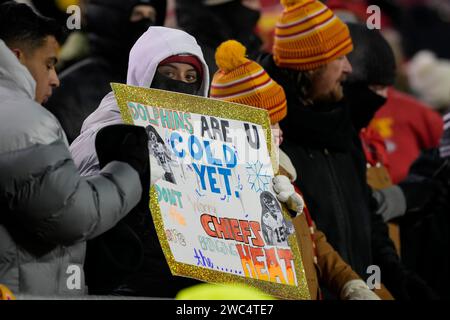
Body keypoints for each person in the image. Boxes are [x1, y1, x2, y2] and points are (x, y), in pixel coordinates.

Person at [258, 0, 437, 300]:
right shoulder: (270, 136)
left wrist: (399, 281)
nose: (348, 68)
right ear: (311, 64)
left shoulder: (341, 124)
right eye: (339, 57)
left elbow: (369, 221)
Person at [210, 39, 382, 300]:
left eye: (279, 122)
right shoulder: (222, 190)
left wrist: (349, 283)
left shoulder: (282, 175)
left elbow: (310, 237)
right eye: (269, 125)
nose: (279, 133)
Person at [0, 2, 149, 296]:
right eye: (48, 64)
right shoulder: (22, 118)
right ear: (17, 58)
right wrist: (129, 167)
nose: (55, 79)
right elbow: (72, 214)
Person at [70, 26, 210, 297]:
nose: (180, 85)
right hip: (128, 286)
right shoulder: (108, 130)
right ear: (143, 75)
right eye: (168, 74)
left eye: (190, 77)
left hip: (189, 288)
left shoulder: (208, 146)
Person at [45, 0, 167, 143]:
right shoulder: (66, 91)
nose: (145, 24)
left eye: (151, 16)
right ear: (110, 19)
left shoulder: (163, 84)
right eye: (137, 14)